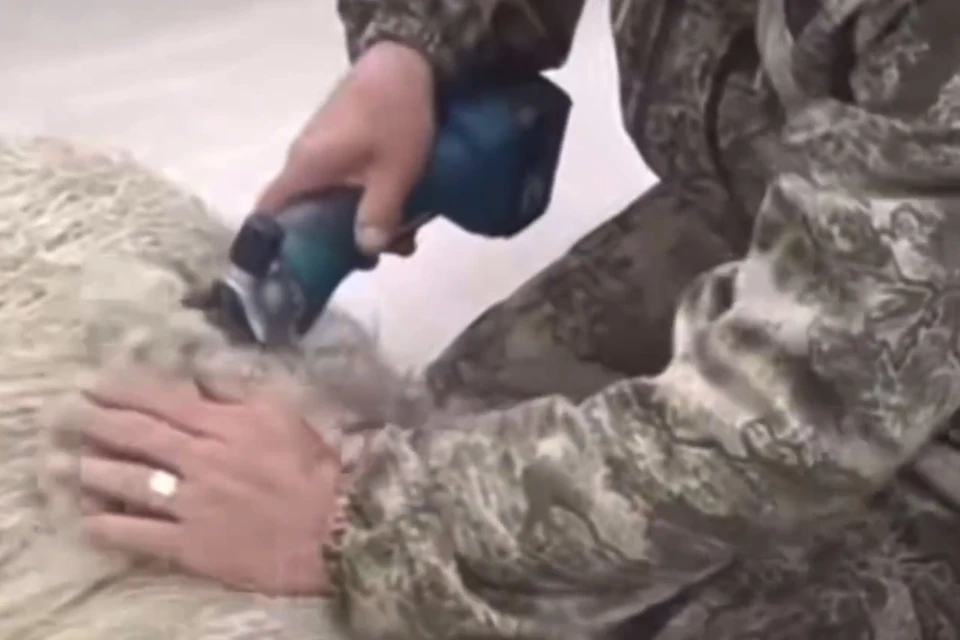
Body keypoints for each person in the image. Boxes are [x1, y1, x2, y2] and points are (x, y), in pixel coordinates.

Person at [61, 0, 960, 638]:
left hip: (900, 355)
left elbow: (802, 405)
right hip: (791, 209)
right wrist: (413, 48)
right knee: (456, 420)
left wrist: (357, 527)